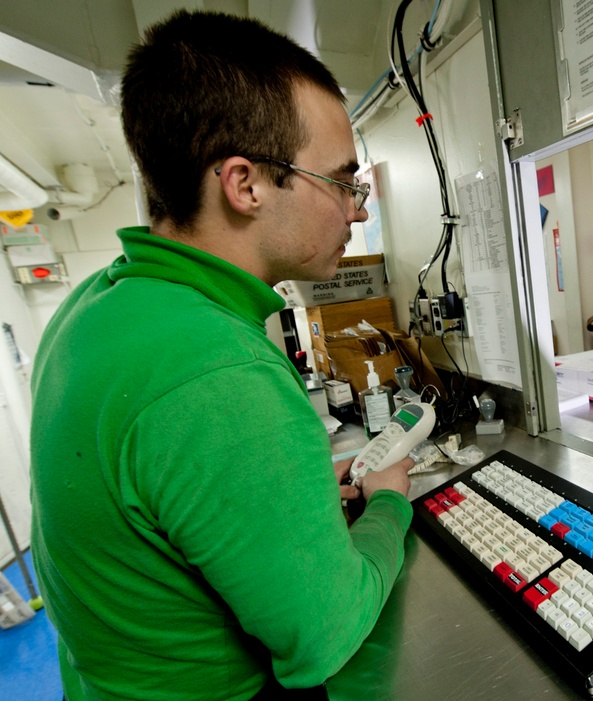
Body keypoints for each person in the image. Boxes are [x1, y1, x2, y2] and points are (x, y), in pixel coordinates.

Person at [30, 10, 413, 700]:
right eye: (343, 182)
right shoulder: (219, 370)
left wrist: (282, 488)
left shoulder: (92, 306)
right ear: (245, 184)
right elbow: (326, 635)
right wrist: (388, 504)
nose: (356, 211)